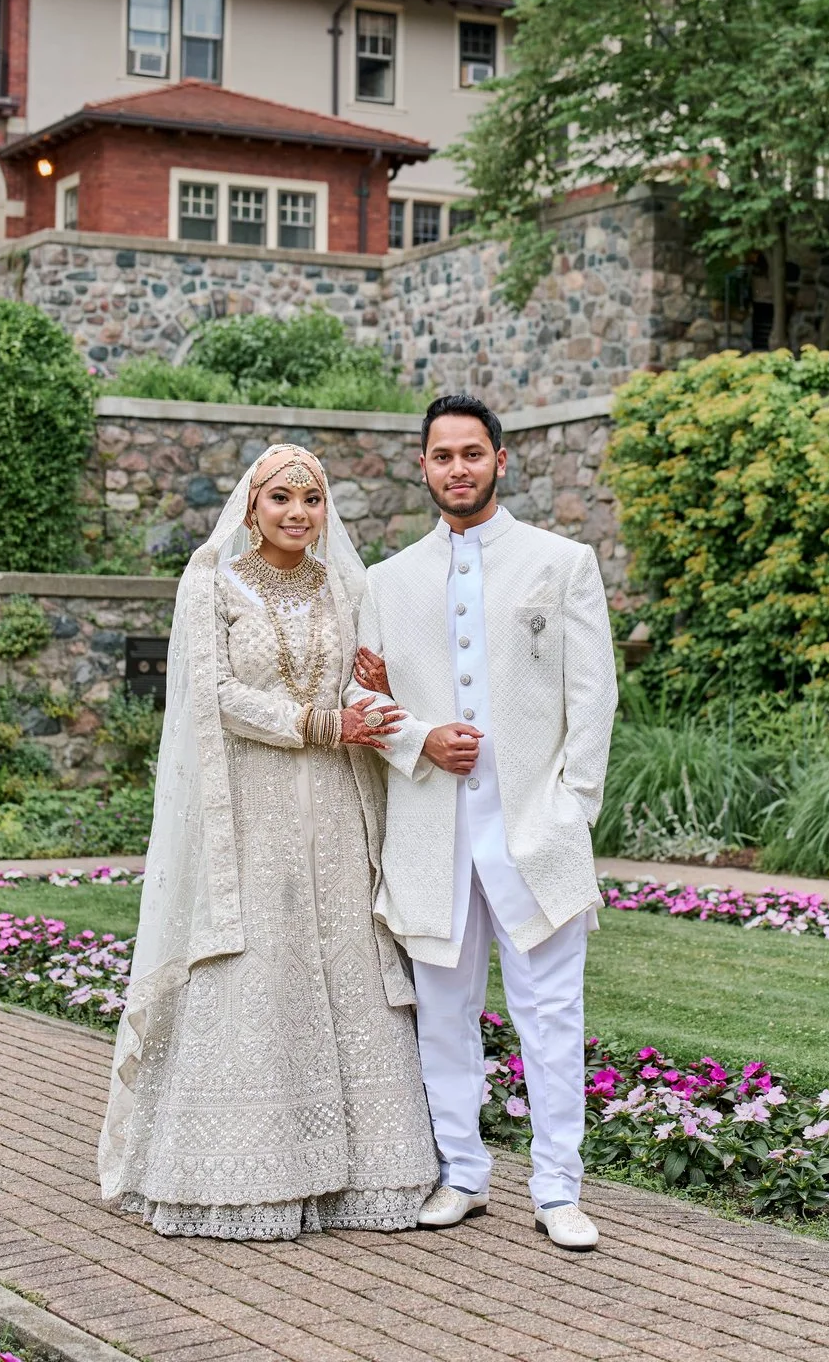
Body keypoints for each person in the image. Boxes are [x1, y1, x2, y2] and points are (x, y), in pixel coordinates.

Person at [95, 443, 439, 1239]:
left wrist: (370, 700)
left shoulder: (346, 583)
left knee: (344, 960)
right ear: (251, 506)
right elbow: (210, 692)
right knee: (256, 962)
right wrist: (319, 724)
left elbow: (357, 675)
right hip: (250, 802)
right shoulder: (211, 581)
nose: (296, 513)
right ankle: (238, 1172)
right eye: (280, 498)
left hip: (335, 805)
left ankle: (363, 1176)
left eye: (311, 500)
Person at [351, 392, 618, 1252]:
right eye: (442, 455)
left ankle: (558, 1187)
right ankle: (462, 1175)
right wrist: (422, 740)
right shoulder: (385, 583)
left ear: (501, 460)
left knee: (552, 1016)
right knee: (443, 1014)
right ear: (421, 467)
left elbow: (594, 699)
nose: (457, 468)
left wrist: (571, 812)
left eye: (472, 453)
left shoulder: (562, 563)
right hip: (431, 836)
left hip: (534, 835)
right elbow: (360, 697)